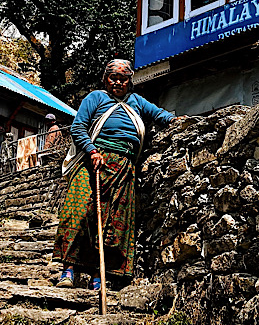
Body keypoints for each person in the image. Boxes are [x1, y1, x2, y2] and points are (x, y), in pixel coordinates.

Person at [53, 58, 176, 291]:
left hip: (123, 167)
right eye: (113, 78)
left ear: (130, 81)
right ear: (105, 79)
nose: (118, 82)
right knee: (77, 212)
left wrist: (174, 120)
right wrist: (92, 150)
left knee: (113, 222)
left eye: (123, 79)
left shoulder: (137, 102)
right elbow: (78, 127)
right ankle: (68, 270)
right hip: (93, 163)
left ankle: (99, 275)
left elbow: (159, 114)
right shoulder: (95, 98)